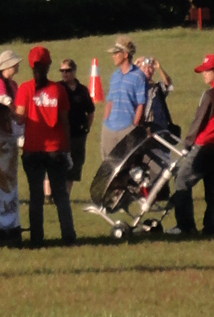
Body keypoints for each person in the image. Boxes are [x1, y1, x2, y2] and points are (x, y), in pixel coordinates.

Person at [167, 53, 214, 239]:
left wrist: (187, 144)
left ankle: (185, 225)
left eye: (207, 70)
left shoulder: (210, 94)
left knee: (181, 180)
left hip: (205, 147)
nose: (203, 74)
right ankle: (212, 227)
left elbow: (199, 121)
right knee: (213, 190)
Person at [14, 46, 76, 248]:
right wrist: (67, 149)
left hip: (32, 149)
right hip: (55, 149)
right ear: (49, 66)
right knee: (60, 195)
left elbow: (20, 118)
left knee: (35, 197)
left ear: (31, 66)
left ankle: (36, 238)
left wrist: (7, 109)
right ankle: (68, 236)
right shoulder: (58, 90)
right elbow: (65, 122)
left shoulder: (24, 89)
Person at [100, 38, 147, 158]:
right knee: (108, 165)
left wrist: (134, 126)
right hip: (109, 128)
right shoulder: (114, 76)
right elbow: (109, 102)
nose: (113, 56)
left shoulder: (138, 76)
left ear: (125, 54)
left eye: (116, 53)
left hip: (127, 128)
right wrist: (105, 121)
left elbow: (141, 104)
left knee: (127, 164)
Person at [59, 58, 95, 190]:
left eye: (67, 70)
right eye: (62, 71)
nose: (64, 73)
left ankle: (66, 195)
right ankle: (49, 194)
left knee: (74, 166)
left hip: (78, 134)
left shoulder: (82, 90)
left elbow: (90, 111)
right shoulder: (57, 88)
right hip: (61, 134)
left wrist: (87, 128)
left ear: (74, 71)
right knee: (57, 164)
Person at [137, 56, 176, 136]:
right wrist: (133, 66)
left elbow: (168, 84)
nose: (147, 71)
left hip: (157, 130)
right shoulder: (134, 88)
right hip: (140, 131)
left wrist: (159, 67)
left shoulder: (157, 89)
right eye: (144, 68)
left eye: (150, 68)